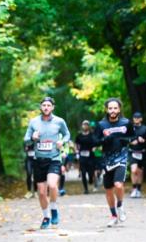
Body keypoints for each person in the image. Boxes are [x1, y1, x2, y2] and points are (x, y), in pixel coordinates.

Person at [23, 96, 71, 229]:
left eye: (48, 105)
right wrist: (32, 138)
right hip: (38, 160)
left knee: (52, 185)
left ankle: (54, 208)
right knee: (41, 192)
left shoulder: (59, 121)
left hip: (54, 159)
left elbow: (67, 135)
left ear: (52, 107)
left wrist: (62, 141)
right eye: (44, 105)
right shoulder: (34, 122)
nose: (46, 107)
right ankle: (46, 217)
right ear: (40, 107)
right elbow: (26, 139)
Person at [93, 98, 136, 227]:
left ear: (119, 109)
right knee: (108, 189)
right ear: (106, 109)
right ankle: (113, 216)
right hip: (107, 159)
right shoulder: (101, 124)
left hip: (121, 157)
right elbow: (95, 141)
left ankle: (120, 206)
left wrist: (126, 140)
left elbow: (133, 136)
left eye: (115, 108)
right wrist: (104, 139)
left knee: (118, 184)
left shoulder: (126, 123)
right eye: (110, 108)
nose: (113, 110)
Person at [128, 112, 146, 198]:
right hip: (132, 152)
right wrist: (130, 142)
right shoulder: (129, 128)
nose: (136, 119)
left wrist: (144, 141)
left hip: (142, 152)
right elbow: (124, 138)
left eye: (138, 118)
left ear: (141, 119)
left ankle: (138, 189)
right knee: (133, 170)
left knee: (140, 172)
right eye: (135, 118)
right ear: (133, 119)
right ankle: (134, 189)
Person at [74, 120, 99, 194]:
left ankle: (91, 179)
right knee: (83, 173)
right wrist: (76, 150)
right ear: (82, 126)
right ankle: (86, 189)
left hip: (90, 156)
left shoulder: (92, 135)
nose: (85, 126)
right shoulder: (79, 136)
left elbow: (97, 143)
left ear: (88, 126)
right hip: (82, 156)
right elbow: (76, 144)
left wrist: (95, 148)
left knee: (91, 172)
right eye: (84, 125)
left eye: (86, 125)